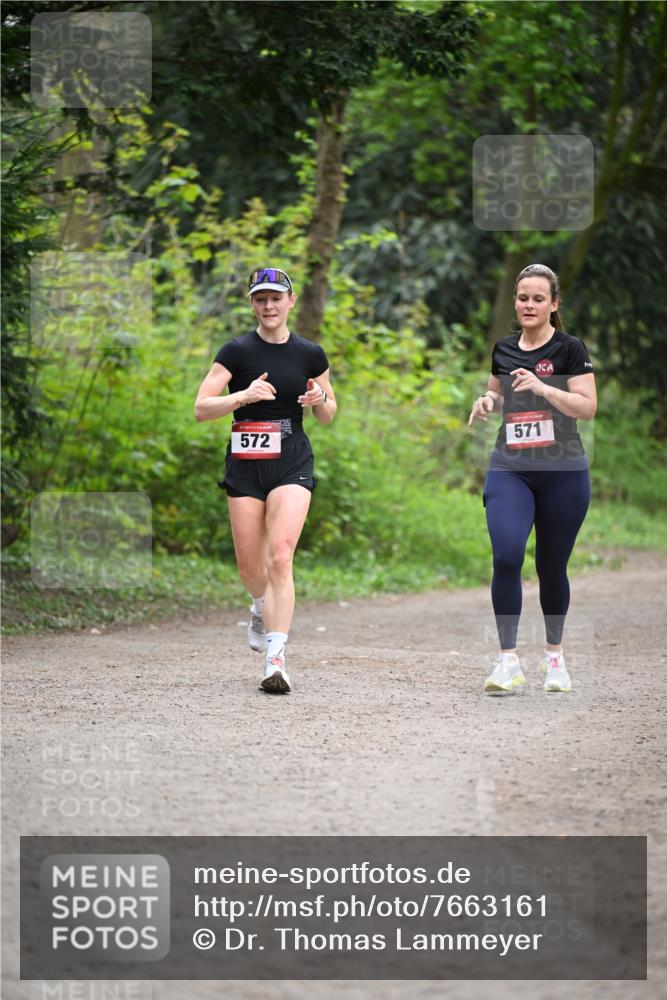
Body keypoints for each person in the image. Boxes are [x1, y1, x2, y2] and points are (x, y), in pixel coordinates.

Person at [194, 267, 336, 694]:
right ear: (252, 304)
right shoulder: (236, 352)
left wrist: (320, 398)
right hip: (246, 460)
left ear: (291, 301)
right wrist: (243, 396)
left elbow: (329, 414)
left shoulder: (310, 354)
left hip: (292, 457)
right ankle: (259, 606)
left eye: (276, 298)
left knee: (280, 554)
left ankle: (276, 661)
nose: (269, 306)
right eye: (261, 299)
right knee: (249, 565)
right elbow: (202, 408)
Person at [468, 263, 596, 694]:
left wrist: (545, 389)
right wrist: (486, 401)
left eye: (538, 298)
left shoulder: (569, 349)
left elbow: (587, 406)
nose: (528, 304)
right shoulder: (503, 348)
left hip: (563, 472)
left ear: (553, 304)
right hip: (512, 467)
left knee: (551, 566)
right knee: (506, 555)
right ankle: (507, 662)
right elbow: (497, 389)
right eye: (523, 297)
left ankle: (554, 659)